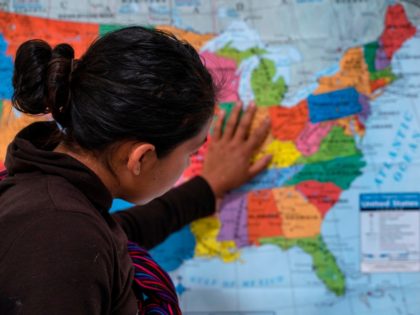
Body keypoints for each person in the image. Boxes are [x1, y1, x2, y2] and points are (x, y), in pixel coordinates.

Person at [0, 26, 271, 314]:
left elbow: (118, 235)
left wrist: (208, 187)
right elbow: (89, 245)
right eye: (191, 152)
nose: (191, 162)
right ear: (140, 158)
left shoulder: (51, 200)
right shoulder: (63, 239)